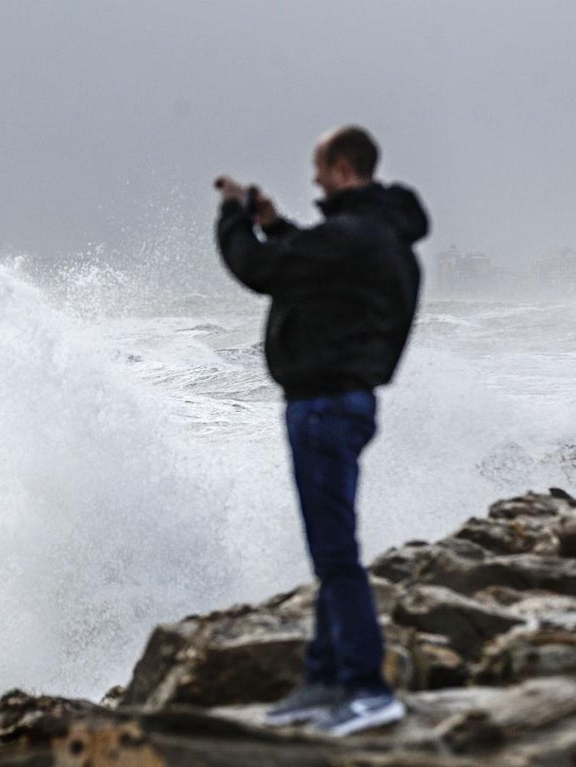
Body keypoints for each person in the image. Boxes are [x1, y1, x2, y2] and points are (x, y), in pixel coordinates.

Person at [213, 126, 427, 736]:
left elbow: (260, 269)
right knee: (329, 548)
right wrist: (277, 225)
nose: (312, 180)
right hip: (336, 401)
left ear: (341, 167)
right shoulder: (374, 235)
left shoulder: (358, 237)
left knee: (335, 555)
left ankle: (367, 689)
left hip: (328, 404)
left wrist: (233, 216)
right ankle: (324, 678)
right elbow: (312, 264)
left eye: (317, 167)